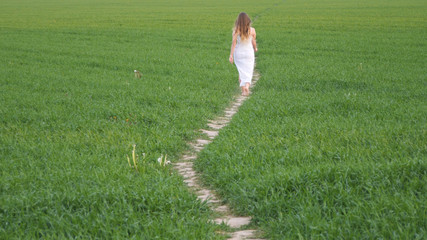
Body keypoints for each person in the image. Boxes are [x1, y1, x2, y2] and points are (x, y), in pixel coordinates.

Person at [229, 12, 258, 96]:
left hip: (238, 54)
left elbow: (233, 43)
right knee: (248, 72)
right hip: (248, 53)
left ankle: (243, 91)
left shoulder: (236, 31)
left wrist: (231, 55)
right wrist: (255, 48)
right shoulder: (252, 30)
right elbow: (253, 42)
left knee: (241, 72)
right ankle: (247, 87)